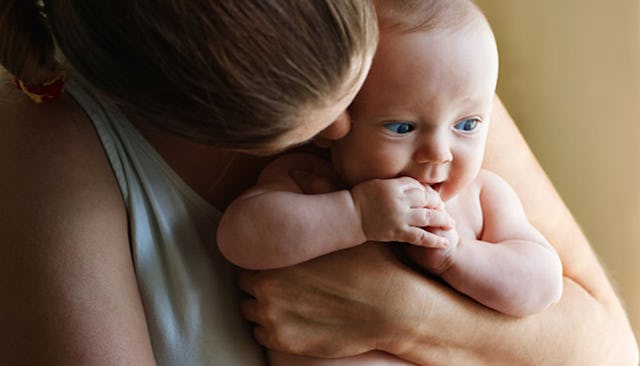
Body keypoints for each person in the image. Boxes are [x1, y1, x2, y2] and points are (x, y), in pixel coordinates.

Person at [0, 1, 636, 366]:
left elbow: (608, 350)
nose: (337, 132)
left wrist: (404, 310)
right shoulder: (51, 154)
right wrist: (355, 216)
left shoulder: (426, 59)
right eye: (394, 123)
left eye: (357, 91)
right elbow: (244, 235)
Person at [217, 1, 563, 364]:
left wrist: (458, 256)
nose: (439, 152)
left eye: (467, 125)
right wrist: (356, 215)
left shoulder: (483, 197)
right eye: (402, 128)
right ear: (332, 121)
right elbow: (238, 238)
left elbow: (543, 284)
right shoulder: (310, 180)